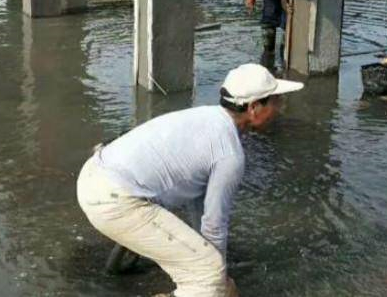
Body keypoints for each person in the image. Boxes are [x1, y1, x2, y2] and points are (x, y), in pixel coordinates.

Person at [77, 63, 303, 297]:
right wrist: (217, 275)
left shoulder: (205, 116)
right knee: (209, 277)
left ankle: (114, 271)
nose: (280, 107)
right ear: (254, 108)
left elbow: (199, 202)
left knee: (158, 203)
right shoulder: (229, 155)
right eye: (275, 101)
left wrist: (202, 251)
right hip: (114, 201)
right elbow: (215, 224)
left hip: (94, 176)